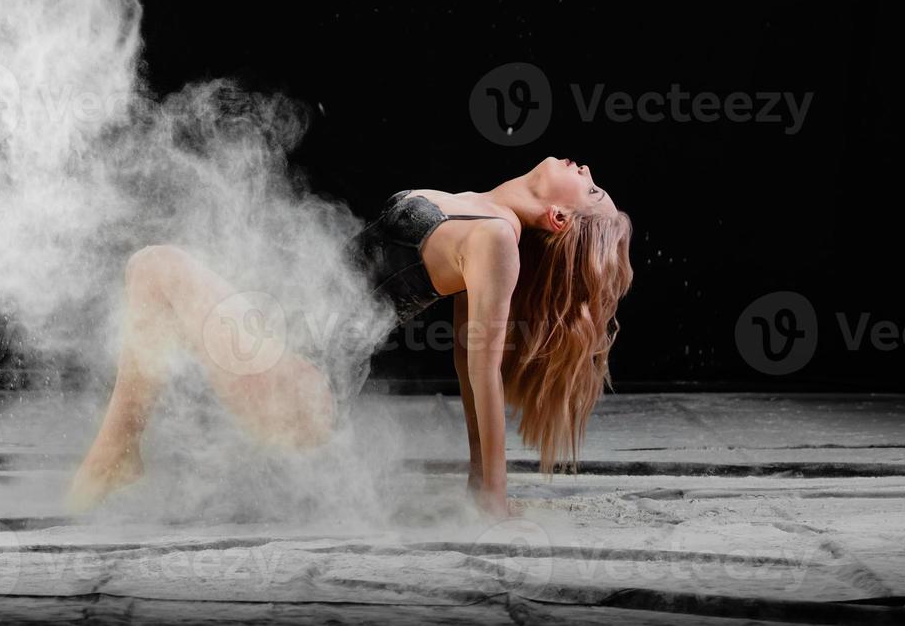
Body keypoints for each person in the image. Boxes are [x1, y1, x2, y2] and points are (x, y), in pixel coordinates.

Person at [67, 156, 634, 518]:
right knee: (155, 282)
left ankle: (118, 455)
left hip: (303, 388)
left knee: (154, 267)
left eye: (592, 188)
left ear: (560, 218)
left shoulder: (498, 243)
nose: (586, 169)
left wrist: (491, 494)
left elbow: (479, 371)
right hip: (284, 358)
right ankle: (121, 453)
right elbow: (465, 362)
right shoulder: (477, 211)